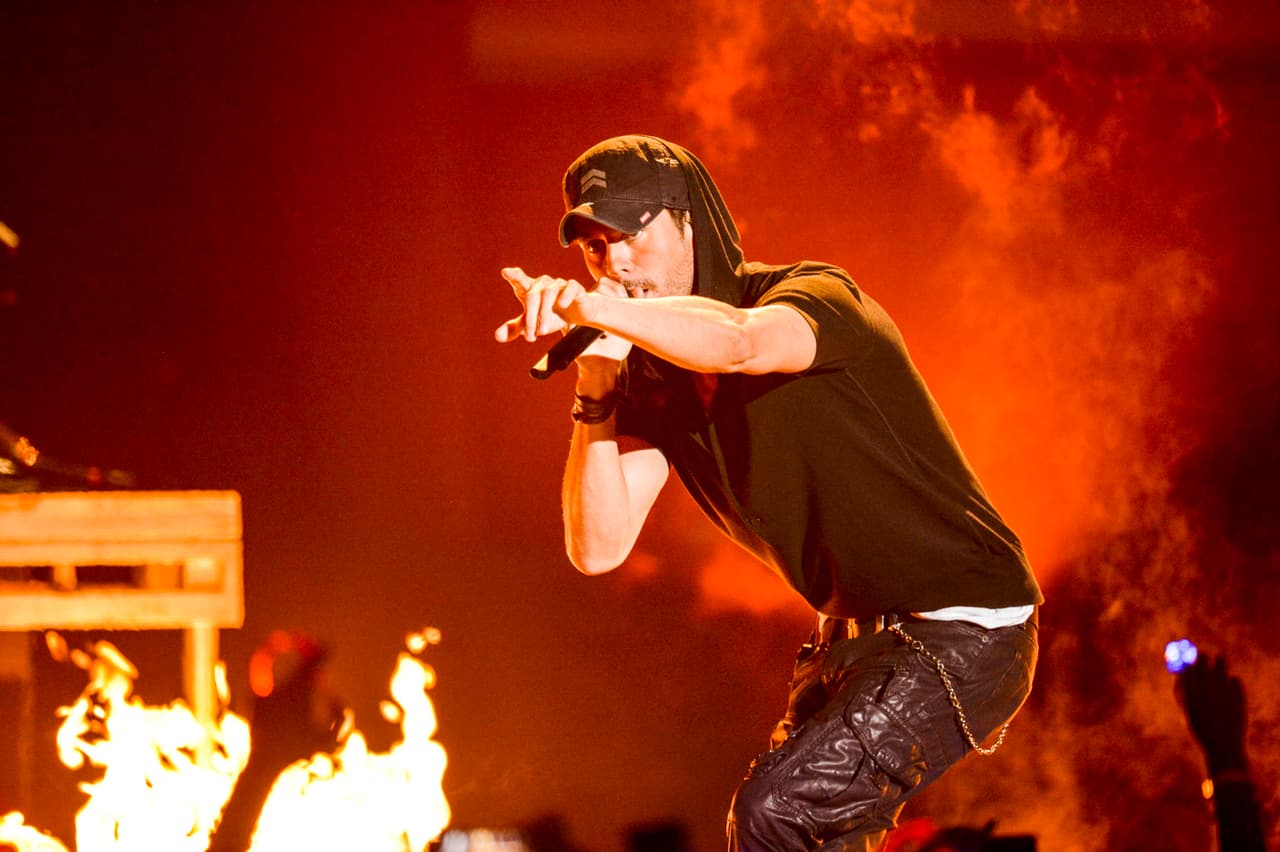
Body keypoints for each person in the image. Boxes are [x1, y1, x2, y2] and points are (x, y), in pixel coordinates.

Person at [496, 135, 1043, 851]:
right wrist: (598, 379)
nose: (615, 264)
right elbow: (597, 547)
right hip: (853, 643)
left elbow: (741, 345)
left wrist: (600, 312)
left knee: (775, 815)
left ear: (689, 220)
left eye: (630, 233)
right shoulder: (651, 384)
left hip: (966, 627)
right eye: (594, 248)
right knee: (803, 832)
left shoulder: (810, 297)